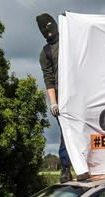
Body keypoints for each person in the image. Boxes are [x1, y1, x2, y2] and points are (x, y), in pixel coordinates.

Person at [36, 13, 75, 183]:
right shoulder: (45, 53)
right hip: (61, 95)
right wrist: (53, 102)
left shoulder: (70, 39)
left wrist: (72, 20)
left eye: (49, 25)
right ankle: (66, 168)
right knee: (66, 132)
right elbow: (48, 78)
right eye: (43, 28)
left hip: (78, 89)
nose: (48, 30)